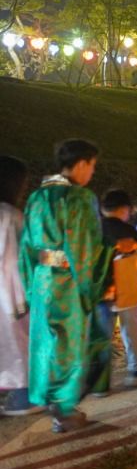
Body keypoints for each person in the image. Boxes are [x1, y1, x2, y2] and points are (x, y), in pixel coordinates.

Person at [20, 139, 107, 432]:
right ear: (81, 164)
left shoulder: (36, 197)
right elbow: (84, 247)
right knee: (71, 344)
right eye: (92, 166)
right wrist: (92, 286)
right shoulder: (79, 198)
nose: (92, 173)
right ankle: (65, 410)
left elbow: (26, 246)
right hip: (69, 281)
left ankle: (53, 403)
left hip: (42, 279)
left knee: (46, 343)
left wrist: (29, 284)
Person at [87, 189, 137, 396]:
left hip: (99, 293)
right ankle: (136, 373)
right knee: (132, 331)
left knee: (101, 337)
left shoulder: (91, 230)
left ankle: (99, 385)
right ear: (125, 209)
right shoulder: (130, 233)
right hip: (127, 291)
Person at [0, 156, 43, 416]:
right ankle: (21, 399)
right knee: (20, 344)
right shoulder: (12, 216)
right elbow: (29, 256)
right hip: (11, 294)